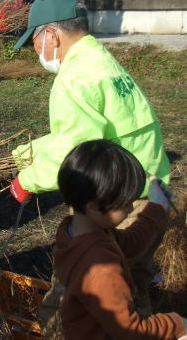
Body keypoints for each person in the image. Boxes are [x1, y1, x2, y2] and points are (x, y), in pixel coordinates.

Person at [9, 0, 170, 316]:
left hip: (117, 205)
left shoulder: (74, 78)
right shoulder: (102, 62)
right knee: (134, 293)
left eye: (35, 40)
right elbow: (89, 130)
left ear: (52, 34)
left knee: (73, 306)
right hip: (151, 194)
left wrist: (27, 181)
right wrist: (27, 152)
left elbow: (76, 152)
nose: (35, 49)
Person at [50, 139, 185, 339]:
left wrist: (157, 207)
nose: (131, 208)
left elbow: (129, 244)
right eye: (126, 203)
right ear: (94, 206)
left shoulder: (75, 231)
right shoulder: (100, 269)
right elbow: (131, 331)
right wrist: (178, 324)